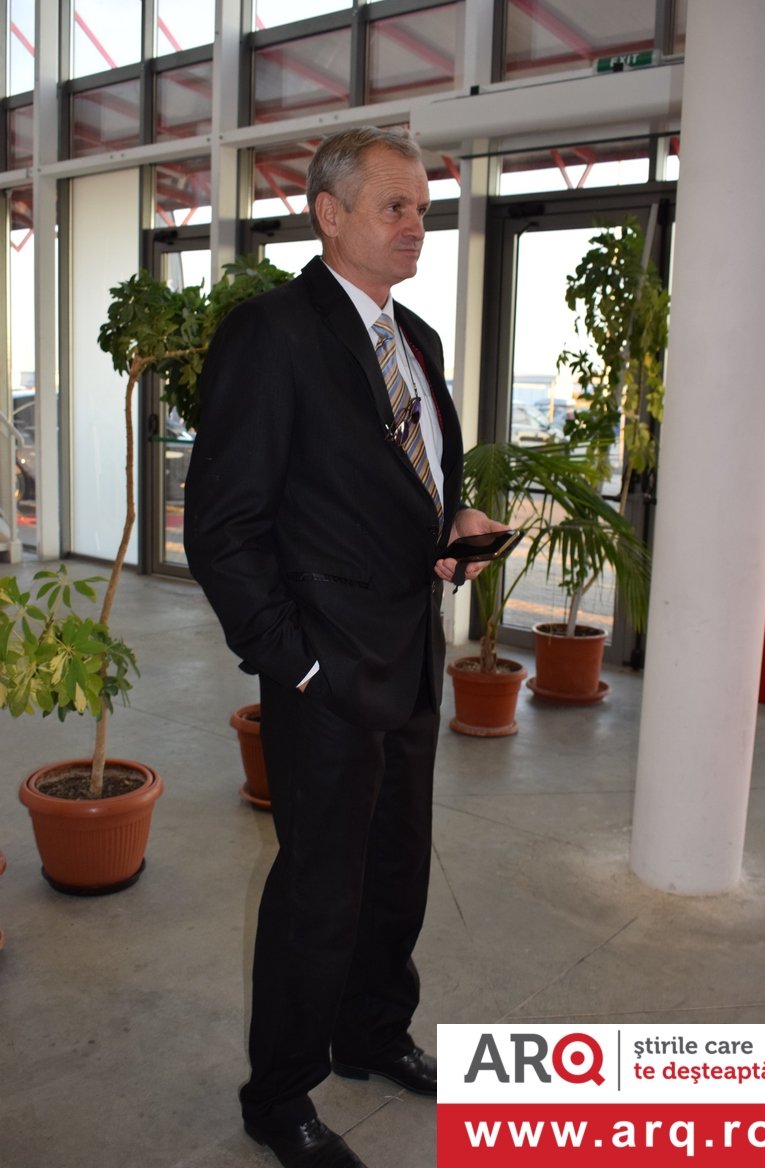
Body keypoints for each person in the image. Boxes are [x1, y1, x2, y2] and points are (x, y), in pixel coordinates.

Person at [184, 126, 502, 1168]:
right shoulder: (271, 334)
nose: (417, 227)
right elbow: (223, 527)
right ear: (330, 214)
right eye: (395, 207)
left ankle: (372, 1031)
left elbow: (411, 484)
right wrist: (296, 660)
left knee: (398, 866)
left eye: (423, 210)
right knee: (318, 889)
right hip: (323, 668)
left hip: (410, 650)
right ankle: (279, 1096)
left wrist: (453, 530)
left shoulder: (419, 340)